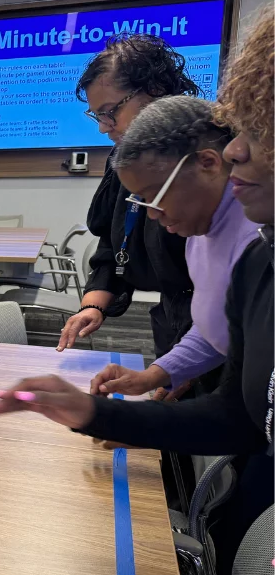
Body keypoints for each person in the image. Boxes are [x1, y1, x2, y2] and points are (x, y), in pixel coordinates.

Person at [0, 6, 274, 575]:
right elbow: (240, 413)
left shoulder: (245, 242)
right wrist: (96, 411)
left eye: (253, 133)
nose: (237, 150)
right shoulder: (250, 260)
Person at [86, 96, 258, 404]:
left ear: (208, 163)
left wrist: (108, 418)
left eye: (155, 196)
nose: (151, 215)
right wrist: (154, 374)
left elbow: (243, 408)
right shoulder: (200, 231)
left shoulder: (255, 243)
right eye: (140, 202)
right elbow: (214, 328)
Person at [58, 35, 201, 382]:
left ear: (153, 90)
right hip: (173, 324)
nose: (104, 127)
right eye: (97, 115)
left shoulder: (207, 160)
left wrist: (189, 366)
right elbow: (114, 240)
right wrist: (94, 302)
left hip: (222, 336)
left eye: (110, 112)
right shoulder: (125, 159)